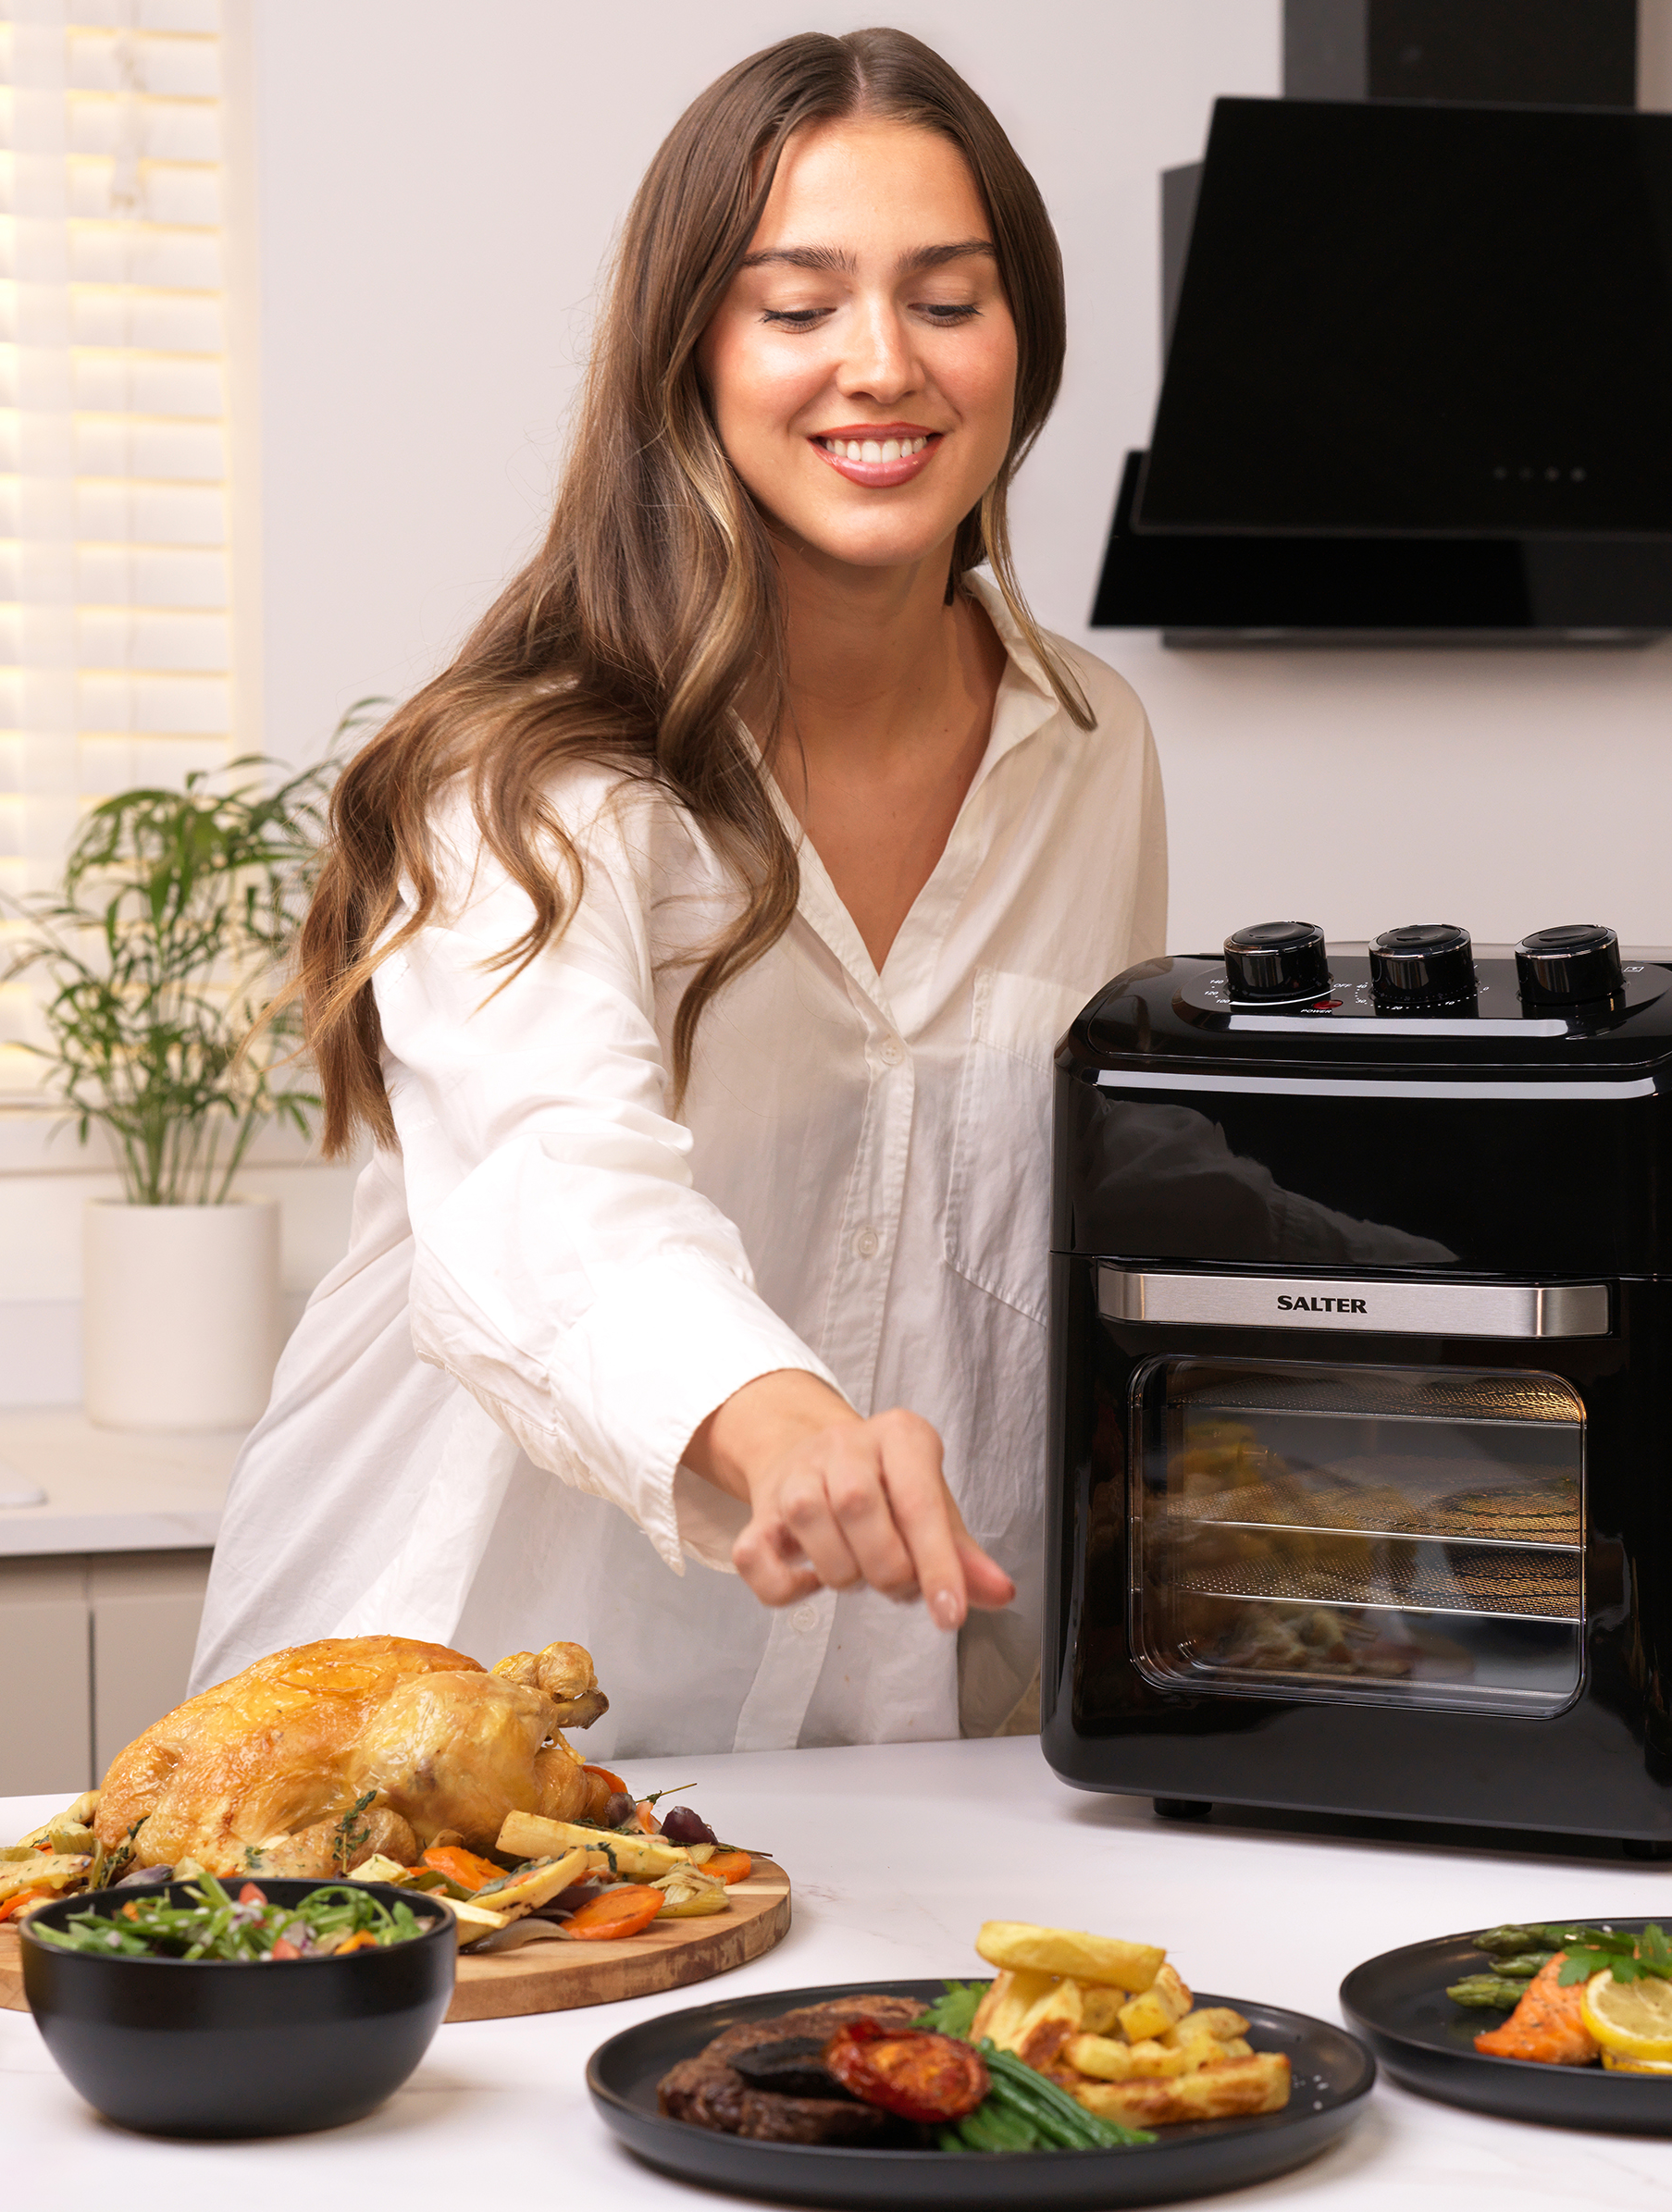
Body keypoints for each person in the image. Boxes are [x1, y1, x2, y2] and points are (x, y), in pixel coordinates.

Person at [188, 29, 1167, 1757]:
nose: (883, 365)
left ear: (1026, 343)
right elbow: (560, 1201)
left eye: (949, 299)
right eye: (798, 308)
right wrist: (788, 1432)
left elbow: (1099, 1229)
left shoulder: (1093, 749)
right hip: (435, 1752)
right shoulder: (520, 784)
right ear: (691, 354)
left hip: (898, 1762)